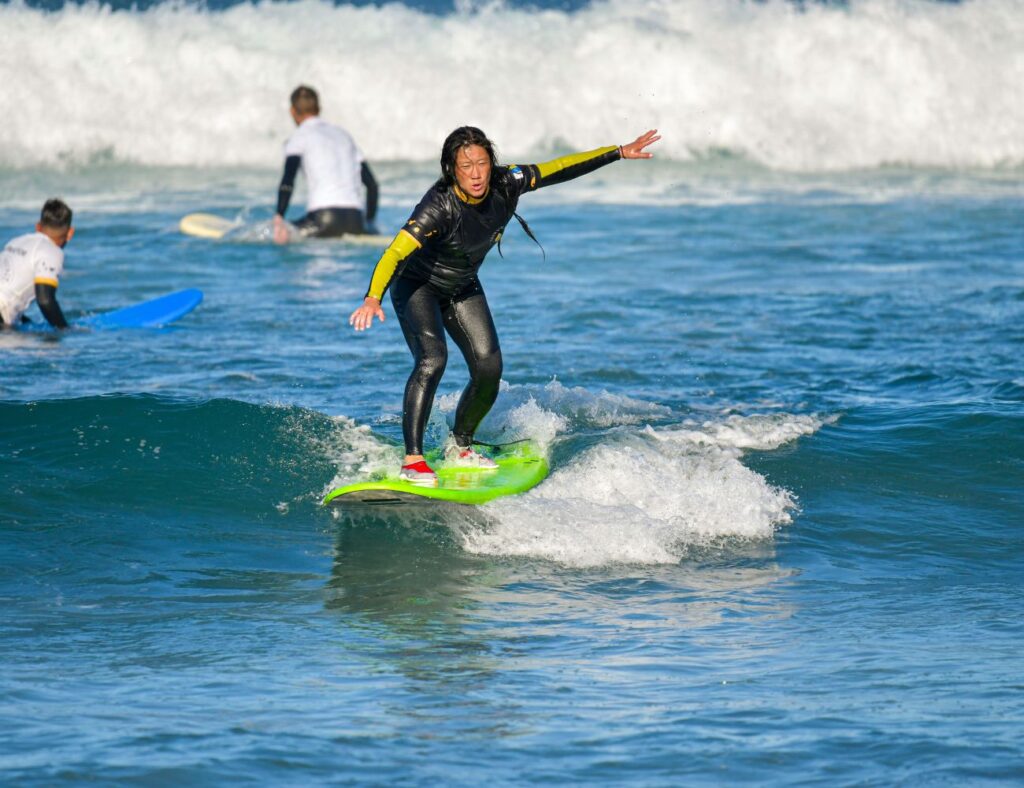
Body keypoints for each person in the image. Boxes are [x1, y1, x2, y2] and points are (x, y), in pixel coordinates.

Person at [349, 126, 660, 485]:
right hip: (417, 286)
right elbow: (395, 252)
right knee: (433, 359)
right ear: (451, 169)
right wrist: (373, 297)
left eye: (482, 163)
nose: (476, 173)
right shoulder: (436, 206)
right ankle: (413, 460)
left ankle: (460, 446)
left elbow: (559, 167)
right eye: (466, 166)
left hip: (462, 285)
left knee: (488, 368)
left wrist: (618, 152)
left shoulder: (507, 181)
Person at [273, 85, 379, 243]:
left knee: (271, 234)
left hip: (323, 221)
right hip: (356, 221)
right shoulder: (344, 135)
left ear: (292, 111)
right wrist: (368, 224)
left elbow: (288, 180)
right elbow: (372, 185)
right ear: (319, 108)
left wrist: (279, 218)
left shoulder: (299, 137)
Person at [0, 199, 74, 330]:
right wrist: (66, 330)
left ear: (38, 227)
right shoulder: (52, 251)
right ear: (70, 233)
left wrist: (26, 322)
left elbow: (7, 289)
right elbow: (45, 301)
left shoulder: (15, 242)